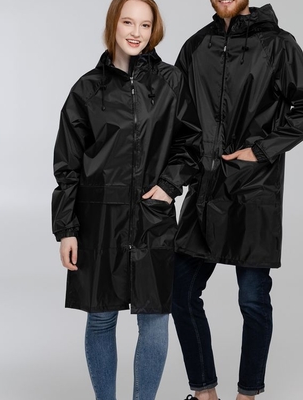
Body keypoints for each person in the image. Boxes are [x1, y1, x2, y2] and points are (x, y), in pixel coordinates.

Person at [172, 1, 303, 400]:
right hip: (205, 190)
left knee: (253, 299)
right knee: (180, 293)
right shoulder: (195, 47)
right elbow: (177, 121)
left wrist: (260, 151)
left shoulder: (278, 45)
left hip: (255, 191)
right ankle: (204, 393)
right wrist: (172, 179)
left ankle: (248, 395)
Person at [51, 1, 200, 399]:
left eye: (145, 25)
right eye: (128, 22)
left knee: (154, 319)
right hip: (99, 220)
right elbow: (67, 164)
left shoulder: (171, 82)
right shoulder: (87, 89)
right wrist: (67, 229)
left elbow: (192, 143)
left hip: (152, 217)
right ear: (113, 24)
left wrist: (169, 185)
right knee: (101, 318)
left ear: (154, 30)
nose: (136, 32)